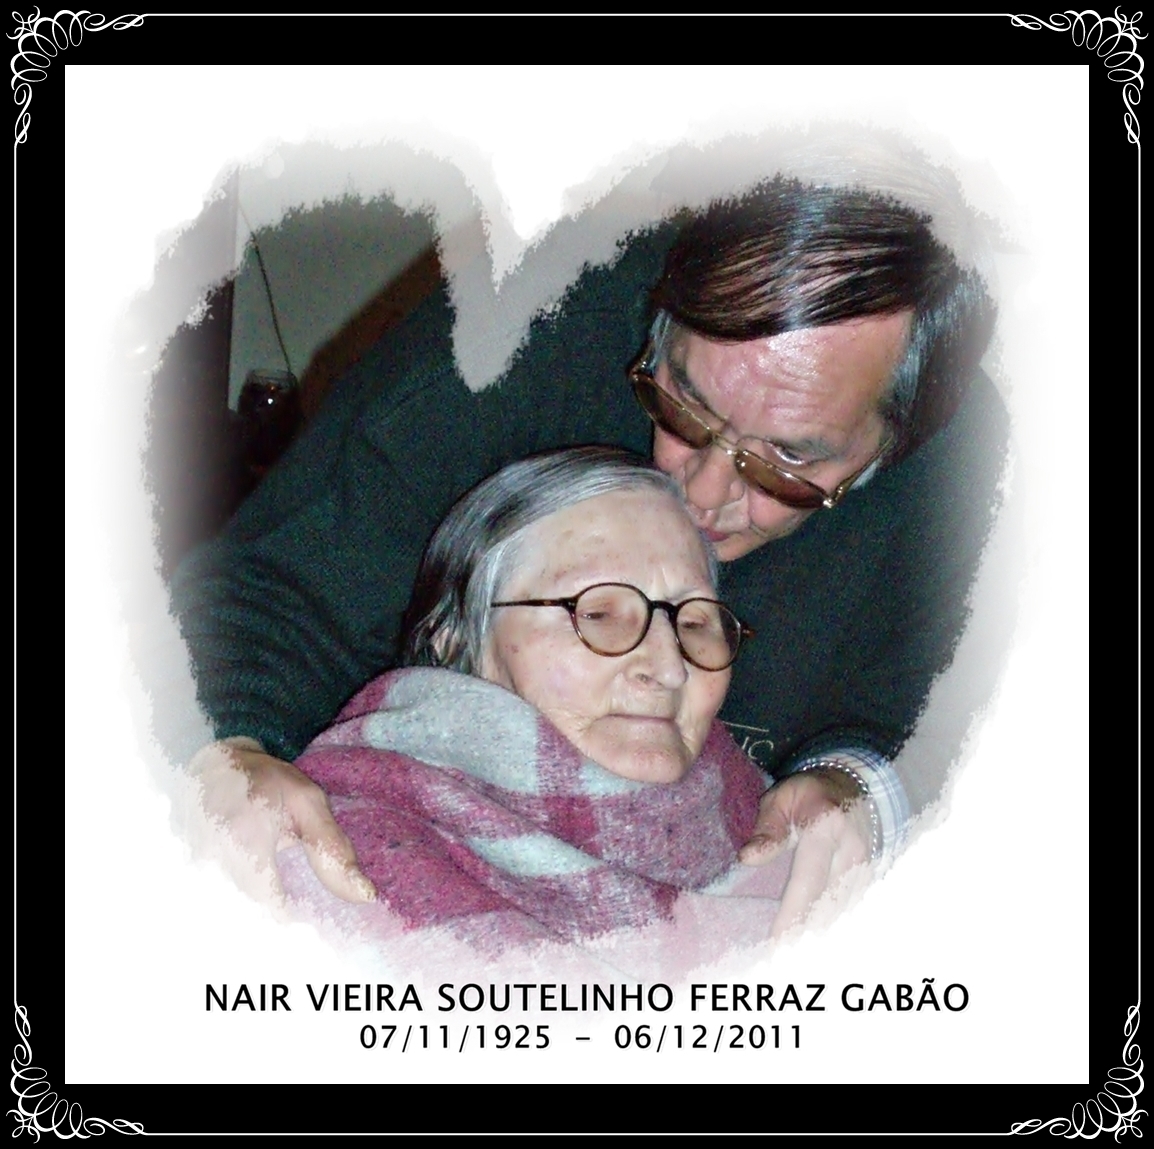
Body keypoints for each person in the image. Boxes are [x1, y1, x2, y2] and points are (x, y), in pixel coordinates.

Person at [177, 168, 1007, 933]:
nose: (700, 490)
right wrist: (231, 746)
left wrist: (870, 790)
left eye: (787, 459)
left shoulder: (986, 489)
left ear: (897, 446)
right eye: (683, 401)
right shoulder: (529, 319)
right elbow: (275, 585)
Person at [287, 448, 787, 949]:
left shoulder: (788, 836)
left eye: (695, 622)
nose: (669, 668)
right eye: (597, 614)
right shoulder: (328, 864)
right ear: (453, 640)